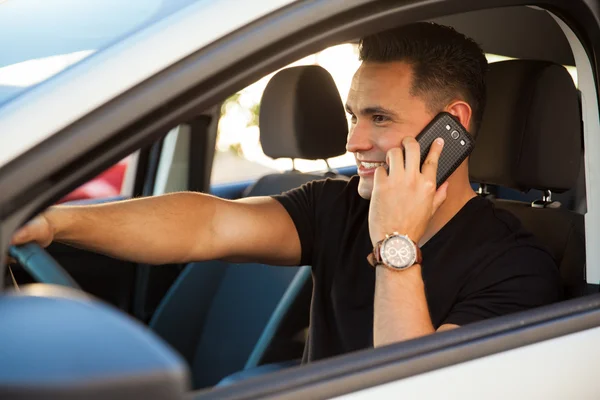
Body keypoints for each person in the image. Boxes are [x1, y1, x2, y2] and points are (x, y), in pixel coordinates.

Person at [10, 22, 560, 362]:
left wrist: (396, 243)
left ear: (452, 125)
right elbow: (209, 224)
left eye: (379, 117)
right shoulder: (337, 205)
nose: (354, 140)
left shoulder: (518, 270)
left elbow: (409, 385)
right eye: (352, 114)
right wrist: (56, 222)